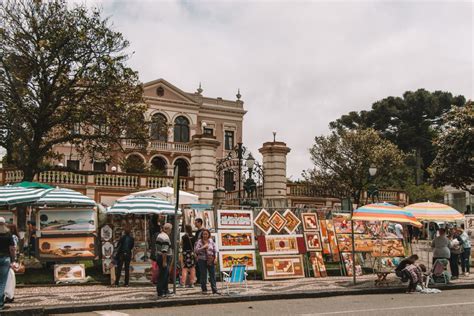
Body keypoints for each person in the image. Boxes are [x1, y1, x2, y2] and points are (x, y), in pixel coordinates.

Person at [194, 229, 219, 295]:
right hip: (202, 260)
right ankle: (204, 289)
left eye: (206, 234)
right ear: (202, 235)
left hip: (211, 259)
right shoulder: (199, 241)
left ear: (208, 235)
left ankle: (214, 289)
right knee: (203, 275)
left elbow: (215, 250)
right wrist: (203, 247)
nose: (205, 235)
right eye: (203, 234)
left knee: (212, 275)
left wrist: (216, 258)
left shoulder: (211, 241)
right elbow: (196, 250)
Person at [0, 218, 15, 310]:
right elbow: (12, 249)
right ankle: (0, 303)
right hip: (5, 258)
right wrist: (13, 260)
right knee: (2, 282)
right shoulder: (8, 234)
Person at [156, 223, 173, 298]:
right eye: (170, 229)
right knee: (163, 275)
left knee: (164, 275)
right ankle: (161, 292)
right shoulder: (165, 237)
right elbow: (164, 251)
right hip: (164, 257)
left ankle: (165, 290)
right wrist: (164, 261)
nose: (171, 231)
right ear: (168, 229)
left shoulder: (160, 235)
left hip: (160, 256)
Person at [193, 218, 204, 283]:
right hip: (198, 250)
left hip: (200, 251)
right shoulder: (198, 231)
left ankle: (201, 280)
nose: (195, 223)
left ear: (200, 223)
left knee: (200, 265)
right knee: (197, 265)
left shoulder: (202, 231)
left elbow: (199, 241)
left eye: (196, 222)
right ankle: (199, 279)